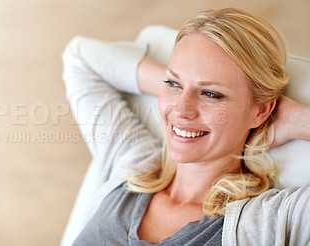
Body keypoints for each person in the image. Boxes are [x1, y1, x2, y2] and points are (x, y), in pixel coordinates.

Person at [62, 8, 310, 245]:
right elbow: (80, 58)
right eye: (171, 83)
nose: (181, 110)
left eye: (211, 94)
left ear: (261, 110)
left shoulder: (273, 218)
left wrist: (297, 120)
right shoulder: (131, 165)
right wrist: (186, 83)